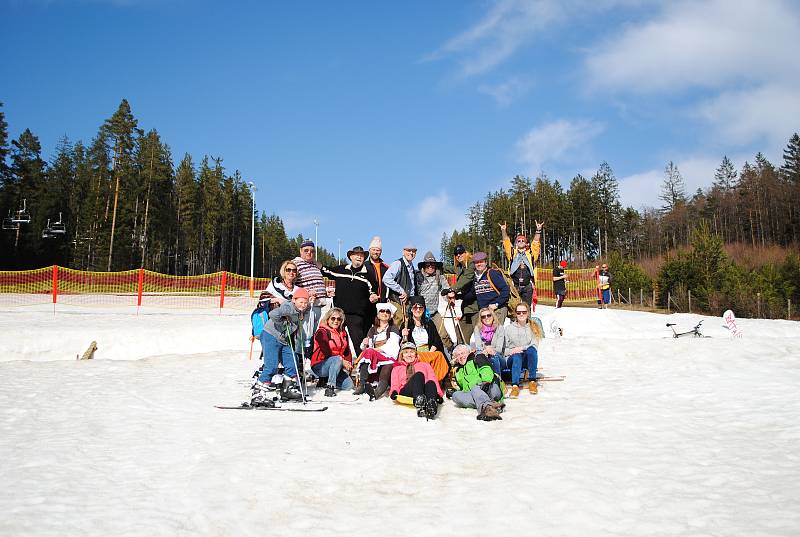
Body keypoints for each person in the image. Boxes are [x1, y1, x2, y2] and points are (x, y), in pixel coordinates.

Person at [252, 287, 311, 401]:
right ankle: (258, 392)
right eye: (301, 302)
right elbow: (273, 314)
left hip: (284, 339)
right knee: (271, 366)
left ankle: (287, 389)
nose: (303, 305)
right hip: (271, 336)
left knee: (292, 361)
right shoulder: (288, 307)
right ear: (294, 300)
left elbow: (307, 311)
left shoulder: (302, 310)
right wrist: (283, 323)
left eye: (305, 302)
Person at [321, 246, 376, 350]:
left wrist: (373, 297)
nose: (359, 257)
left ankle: (362, 364)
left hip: (356, 316)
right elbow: (325, 270)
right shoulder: (340, 270)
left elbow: (373, 292)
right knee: (335, 341)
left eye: (362, 255)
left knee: (359, 344)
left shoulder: (369, 276)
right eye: (356, 255)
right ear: (351, 256)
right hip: (338, 314)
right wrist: (313, 261)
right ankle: (338, 363)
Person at [489, 302, 543, 397]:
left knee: (532, 350)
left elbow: (534, 345)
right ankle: (515, 386)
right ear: (515, 314)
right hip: (513, 360)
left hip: (527, 358)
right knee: (517, 355)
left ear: (528, 313)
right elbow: (502, 349)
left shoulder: (533, 326)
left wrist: (521, 348)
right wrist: (512, 351)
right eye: (519, 312)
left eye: (524, 312)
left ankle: (532, 381)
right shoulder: (509, 329)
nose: (521, 314)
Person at [401, 296, 450, 387]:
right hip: (415, 353)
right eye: (415, 307)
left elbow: (437, 340)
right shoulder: (406, 325)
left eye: (421, 308)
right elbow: (403, 345)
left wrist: (430, 353)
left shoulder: (429, 323)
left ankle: (435, 381)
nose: (418, 310)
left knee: (439, 355)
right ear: (411, 309)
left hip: (429, 351)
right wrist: (404, 336)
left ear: (424, 310)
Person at [354, 302, 401, 399]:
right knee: (369, 352)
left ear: (390, 316)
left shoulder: (393, 328)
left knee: (387, 365)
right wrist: (364, 343)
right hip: (375, 359)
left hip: (388, 356)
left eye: (387, 312)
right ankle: (362, 385)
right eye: (382, 311)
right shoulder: (372, 330)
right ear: (378, 315)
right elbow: (365, 349)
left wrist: (376, 350)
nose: (385, 313)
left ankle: (377, 393)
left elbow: (393, 345)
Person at [293, 240, 334, 348]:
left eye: (312, 251)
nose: (309, 253)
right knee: (303, 335)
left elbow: (314, 283)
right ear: (300, 251)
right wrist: (305, 293)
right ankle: (299, 360)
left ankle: (308, 358)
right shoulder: (296, 264)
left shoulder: (314, 265)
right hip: (306, 306)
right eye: (306, 250)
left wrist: (325, 291)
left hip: (317, 305)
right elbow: (290, 284)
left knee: (311, 336)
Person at [449, 344, 505, 421]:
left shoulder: (477, 357)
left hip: (490, 388)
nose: (461, 356)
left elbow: (486, 369)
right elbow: (463, 389)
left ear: (468, 352)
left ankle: (486, 409)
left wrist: (486, 381)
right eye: (458, 355)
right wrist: (454, 391)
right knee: (455, 396)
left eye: (463, 353)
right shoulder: (458, 372)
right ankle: (491, 405)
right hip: (476, 394)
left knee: (474, 388)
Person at [389, 342, 444, 420]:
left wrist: (438, 394)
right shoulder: (397, 369)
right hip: (406, 390)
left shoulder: (425, 365)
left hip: (423, 390)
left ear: (415, 354)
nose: (409, 355)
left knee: (430, 383)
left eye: (412, 352)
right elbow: (394, 383)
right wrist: (394, 392)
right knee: (419, 375)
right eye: (406, 352)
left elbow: (433, 379)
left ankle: (431, 406)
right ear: (402, 355)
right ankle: (420, 402)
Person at [310, 308, 355, 397]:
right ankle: (330, 387)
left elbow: (347, 351)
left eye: (339, 319)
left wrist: (348, 364)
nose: (336, 321)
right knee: (337, 359)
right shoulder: (322, 332)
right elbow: (326, 352)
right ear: (327, 319)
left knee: (349, 386)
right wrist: (342, 361)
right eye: (333, 318)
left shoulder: (343, 333)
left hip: (336, 365)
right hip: (320, 365)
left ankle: (325, 380)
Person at [415, 251, 454, 352]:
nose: (430, 267)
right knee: (423, 336)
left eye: (432, 265)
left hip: (434, 313)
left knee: (443, 334)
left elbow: (445, 289)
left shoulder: (439, 277)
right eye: (428, 265)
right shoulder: (418, 277)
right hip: (421, 313)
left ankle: (451, 352)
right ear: (424, 266)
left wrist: (449, 295)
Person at [500, 220, 542, 311]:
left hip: (527, 286)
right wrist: (503, 230)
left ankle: (528, 324)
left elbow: (535, 242)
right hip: (515, 285)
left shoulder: (531, 253)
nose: (521, 241)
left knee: (527, 308)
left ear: (526, 243)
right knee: (514, 308)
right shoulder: (512, 253)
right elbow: (506, 242)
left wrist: (538, 230)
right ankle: (514, 324)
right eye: (519, 240)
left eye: (523, 240)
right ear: (516, 243)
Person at [443, 244, 476, 344]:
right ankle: (462, 356)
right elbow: (448, 268)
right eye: (456, 254)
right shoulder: (459, 267)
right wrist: (436, 265)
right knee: (460, 335)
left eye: (461, 252)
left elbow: (466, 278)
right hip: (467, 308)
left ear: (466, 253)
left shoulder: (472, 264)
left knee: (481, 336)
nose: (458, 255)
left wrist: (452, 290)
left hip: (477, 307)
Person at [471, 251, 510, 326]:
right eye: (477, 262)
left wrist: (496, 304)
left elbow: (505, 289)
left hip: (497, 310)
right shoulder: (475, 277)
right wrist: (456, 295)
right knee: (487, 335)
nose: (479, 264)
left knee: (496, 334)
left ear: (486, 262)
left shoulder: (492, 273)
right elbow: (472, 294)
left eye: (481, 262)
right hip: (485, 312)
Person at [383, 244, 418, 325]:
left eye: (413, 251)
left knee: (407, 325)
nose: (411, 253)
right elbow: (386, 279)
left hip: (408, 302)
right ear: (403, 252)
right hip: (397, 301)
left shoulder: (411, 266)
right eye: (408, 250)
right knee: (398, 325)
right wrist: (401, 290)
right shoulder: (398, 264)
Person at [364, 236, 389, 327]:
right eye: (373, 249)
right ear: (369, 250)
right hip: (368, 303)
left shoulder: (386, 267)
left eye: (378, 250)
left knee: (381, 329)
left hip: (382, 304)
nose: (375, 252)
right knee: (366, 330)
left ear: (381, 252)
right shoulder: (364, 266)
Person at [469, 307, 501, 372]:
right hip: (484, 354)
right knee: (480, 358)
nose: (486, 318)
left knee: (494, 357)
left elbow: (499, 348)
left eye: (489, 315)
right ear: (481, 319)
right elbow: (479, 347)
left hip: (498, 356)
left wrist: (489, 350)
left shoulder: (499, 328)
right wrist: (486, 350)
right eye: (483, 317)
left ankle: (497, 380)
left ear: (493, 316)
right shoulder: (477, 328)